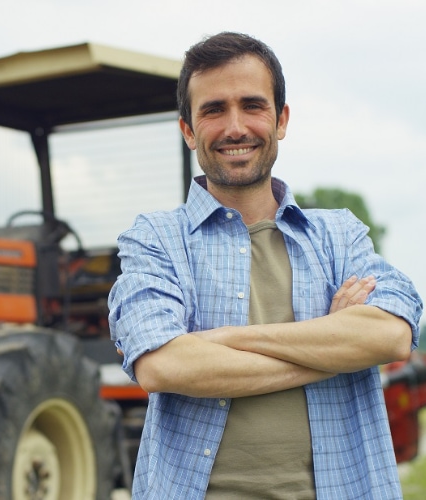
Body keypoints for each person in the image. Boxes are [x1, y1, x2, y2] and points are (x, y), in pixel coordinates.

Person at [108, 31, 423, 499]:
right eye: (214, 109)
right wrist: (331, 348)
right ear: (189, 129)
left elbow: (392, 334)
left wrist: (221, 342)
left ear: (281, 120)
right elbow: (162, 364)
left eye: (252, 105)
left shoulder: (339, 234)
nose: (235, 127)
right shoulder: (156, 239)